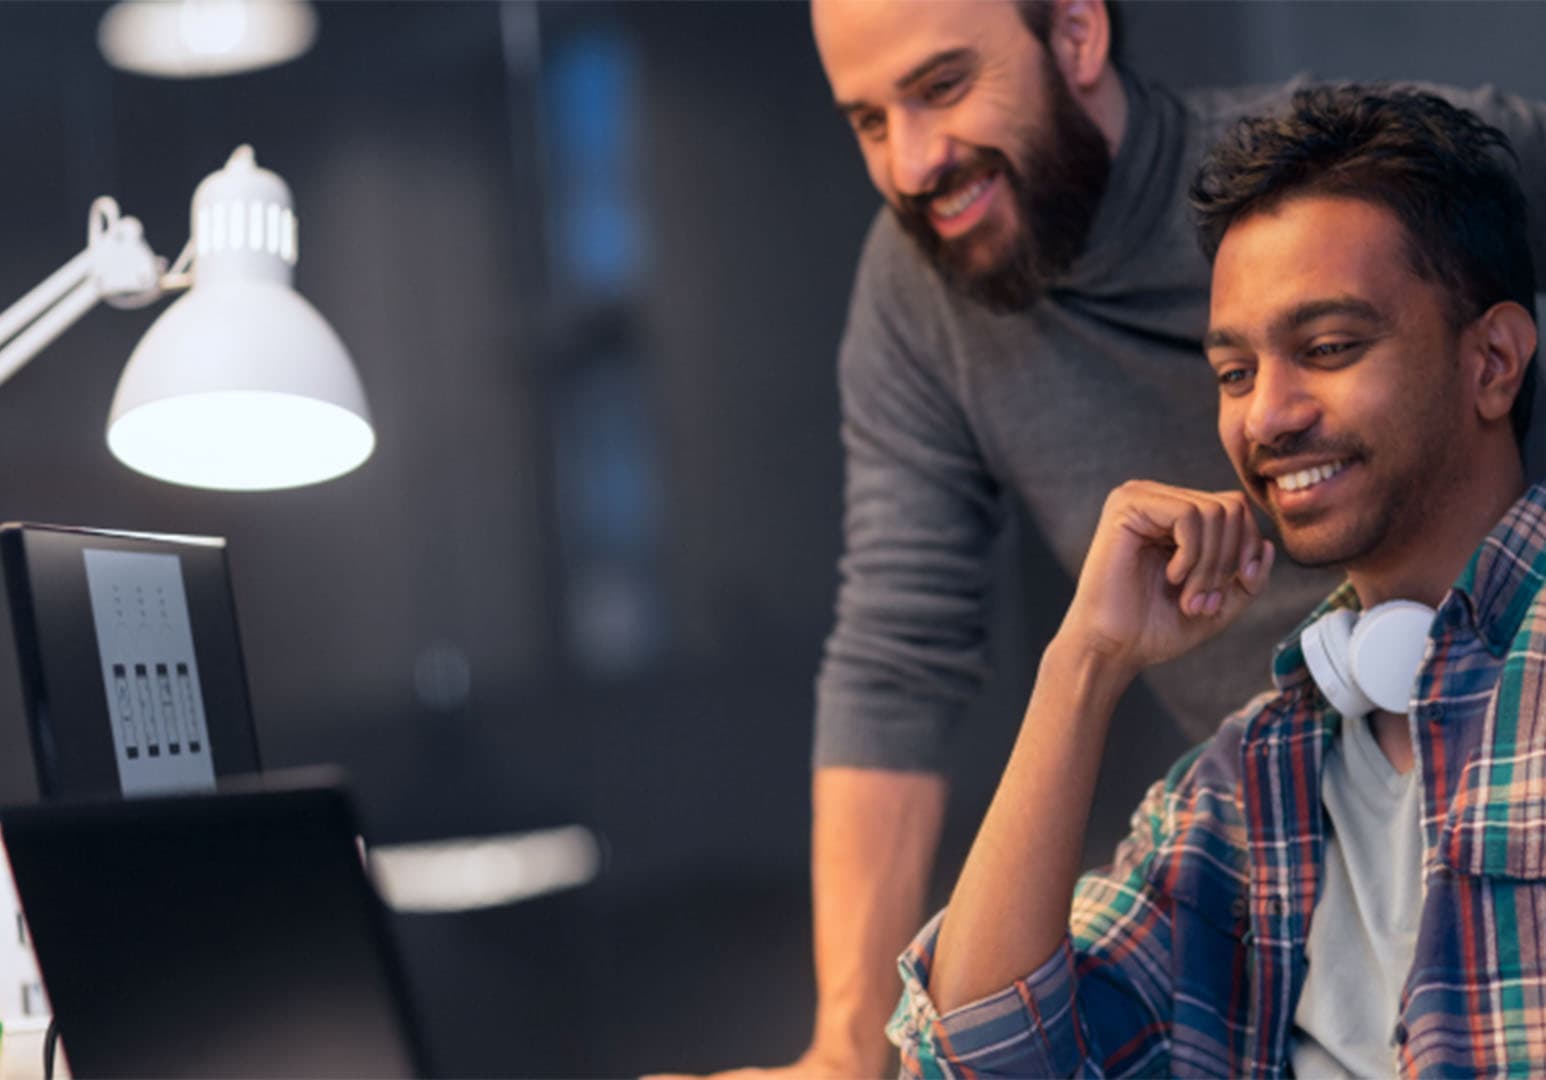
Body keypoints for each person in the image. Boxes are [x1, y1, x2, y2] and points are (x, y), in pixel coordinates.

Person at [681, 3, 1546, 1076]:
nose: (910, 162)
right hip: (1308, 764)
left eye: (944, 87)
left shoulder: (1377, 173)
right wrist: (845, 1050)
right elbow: (895, 655)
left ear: (1078, 36)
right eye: (867, 120)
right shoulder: (1236, 796)